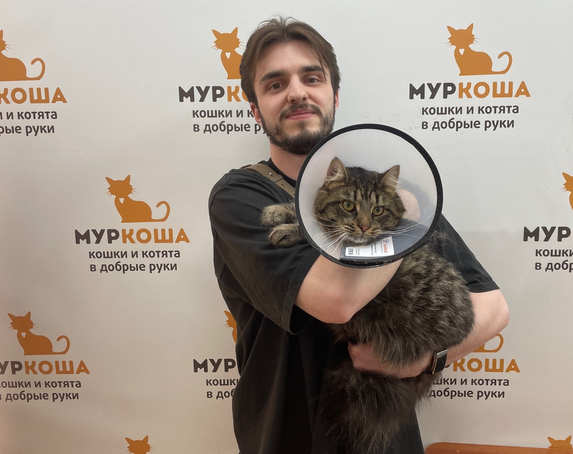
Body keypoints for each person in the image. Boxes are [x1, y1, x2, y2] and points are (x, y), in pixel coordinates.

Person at [208, 17, 509, 454]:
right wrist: (398, 223)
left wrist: (425, 359)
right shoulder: (240, 196)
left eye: (312, 78)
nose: (297, 92)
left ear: (334, 95)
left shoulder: (395, 194)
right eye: (275, 84)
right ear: (255, 110)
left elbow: (493, 307)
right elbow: (336, 299)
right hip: (288, 437)